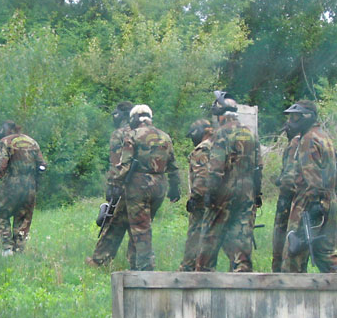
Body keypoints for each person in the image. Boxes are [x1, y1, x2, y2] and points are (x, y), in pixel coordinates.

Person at [108, 105, 180, 271]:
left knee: (141, 228)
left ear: (134, 118)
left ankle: (145, 268)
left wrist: (113, 183)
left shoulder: (132, 135)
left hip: (139, 185)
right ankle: (135, 263)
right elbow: (173, 166)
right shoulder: (165, 136)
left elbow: (125, 165)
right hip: (160, 186)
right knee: (142, 224)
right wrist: (175, 188)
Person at [196, 92, 262, 272]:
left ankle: (203, 279)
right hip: (247, 194)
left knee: (209, 240)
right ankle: (243, 278)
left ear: (220, 115)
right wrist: (257, 194)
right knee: (241, 242)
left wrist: (210, 194)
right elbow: (258, 167)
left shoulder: (222, 134)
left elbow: (216, 169)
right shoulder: (250, 134)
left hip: (223, 195)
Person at [281, 100, 337, 273]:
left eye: (295, 117)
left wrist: (312, 206)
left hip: (309, 203)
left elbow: (312, 178)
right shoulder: (323, 136)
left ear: (306, 117)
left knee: (293, 258)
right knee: (326, 254)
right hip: (329, 202)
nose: (291, 121)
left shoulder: (308, 139)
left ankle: (292, 290)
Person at [0, 120, 46, 255]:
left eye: (2, 129)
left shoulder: (6, 142)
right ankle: (19, 251)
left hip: (11, 187)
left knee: (2, 215)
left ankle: (7, 249)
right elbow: (42, 165)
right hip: (29, 187)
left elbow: (1, 168)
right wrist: (35, 184)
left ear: (8, 129)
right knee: (22, 219)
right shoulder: (32, 142)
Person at [86, 102, 136, 267]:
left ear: (123, 116)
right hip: (143, 185)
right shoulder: (140, 132)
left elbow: (116, 163)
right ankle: (137, 263)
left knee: (113, 222)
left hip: (123, 183)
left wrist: (112, 185)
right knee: (138, 225)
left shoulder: (119, 134)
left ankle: (100, 260)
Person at [179, 118, 214, 271]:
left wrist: (195, 198)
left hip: (203, 203)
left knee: (194, 237)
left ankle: (188, 269)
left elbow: (202, 177)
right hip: (221, 200)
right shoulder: (221, 145)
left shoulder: (202, 149)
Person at [271, 123, 300, 272]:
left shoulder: (295, 143)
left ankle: (279, 273)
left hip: (289, 200)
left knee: (281, 237)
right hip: (296, 199)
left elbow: (290, 176)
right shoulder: (301, 141)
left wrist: (283, 185)